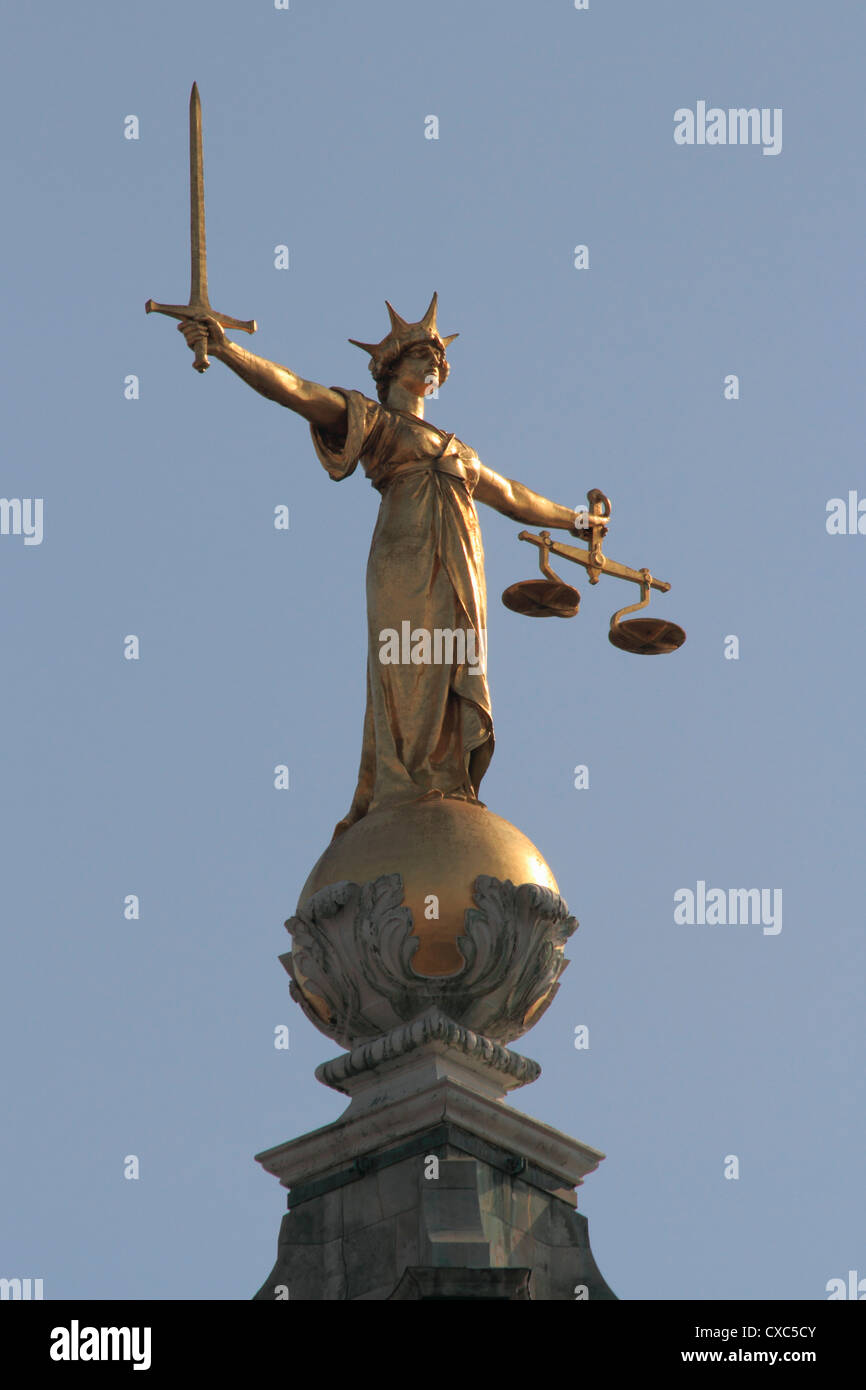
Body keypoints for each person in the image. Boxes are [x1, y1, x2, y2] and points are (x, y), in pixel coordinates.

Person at [179, 294, 587, 838]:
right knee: (409, 660)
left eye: (439, 363)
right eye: (423, 358)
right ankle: (404, 783)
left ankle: (445, 777)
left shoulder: (458, 448)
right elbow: (299, 392)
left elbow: (511, 495)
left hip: (462, 560)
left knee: (453, 659)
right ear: (392, 368)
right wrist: (228, 349)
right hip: (406, 554)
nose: (434, 368)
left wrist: (576, 521)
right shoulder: (376, 422)